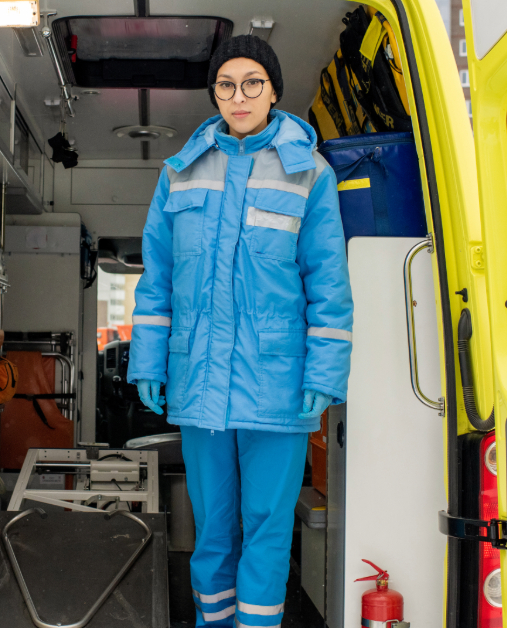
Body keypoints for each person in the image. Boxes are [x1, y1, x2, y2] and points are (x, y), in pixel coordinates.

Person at [127, 35, 353, 627]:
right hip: (201, 384)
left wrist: (324, 373)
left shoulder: (311, 173)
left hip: (277, 386)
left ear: (274, 89)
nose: (239, 95)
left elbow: (327, 281)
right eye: (226, 84)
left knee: (267, 531)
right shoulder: (179, 173)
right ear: (215, 95)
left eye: (253, 82)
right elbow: (158, 278)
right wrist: (149, 362)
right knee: (213, 532)